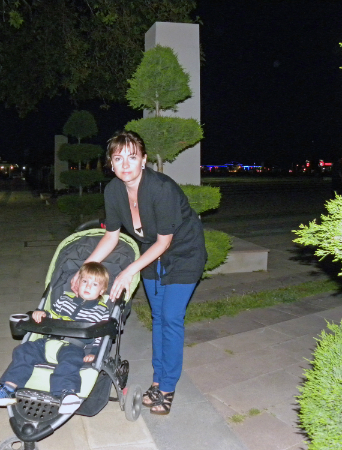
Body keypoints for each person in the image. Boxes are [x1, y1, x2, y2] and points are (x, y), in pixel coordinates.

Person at [71, 130, 207, 416]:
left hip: (184, 253)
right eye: (118, 158)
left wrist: (128, 271)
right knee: (158, 318)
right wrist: (83, 269)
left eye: (132, 157)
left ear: (144, 160)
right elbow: (111, 236)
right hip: (151, 253)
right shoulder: (113, 191)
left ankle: (167, 387)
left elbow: (165, 242)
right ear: (110, 163)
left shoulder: (161, 189)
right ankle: (158, 380)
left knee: (171, 318)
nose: (125, 164)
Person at [0, 262, 110, 415]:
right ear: (78, 282)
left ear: (102, 290)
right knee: (24, 350)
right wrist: (42, 314)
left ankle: (67, 393)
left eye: (94, 284)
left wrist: (94, 352)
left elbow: (100, 336)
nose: (88, 286)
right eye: (85, 281)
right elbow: (52, 315)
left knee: (70, 362)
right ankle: (8, 388)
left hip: (73, 346)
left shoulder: (101, 311)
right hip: (48, 342)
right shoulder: (65, 299)